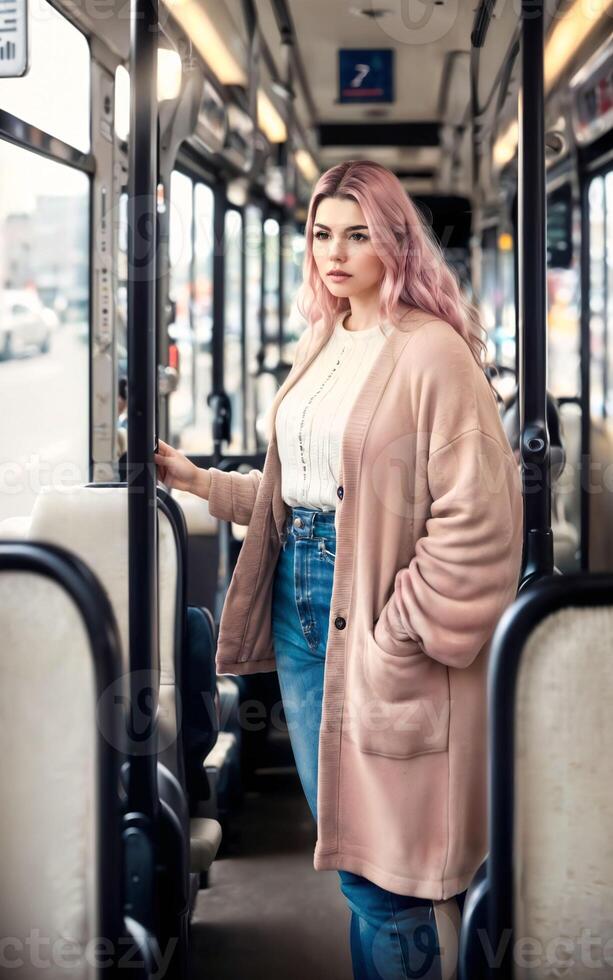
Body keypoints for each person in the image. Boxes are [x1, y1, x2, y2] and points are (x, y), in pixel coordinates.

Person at [155, 160, 524, 979]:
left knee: (383, 877)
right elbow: (309, 492)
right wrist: (201, 483)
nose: (334, 251)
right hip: (299, 601)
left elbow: (482, 525)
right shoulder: (324, 341)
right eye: (321, 234)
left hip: (378, 613)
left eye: (357, 234)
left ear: (395, 240)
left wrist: (400, 630)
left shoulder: (432, 354)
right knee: (354, 855)